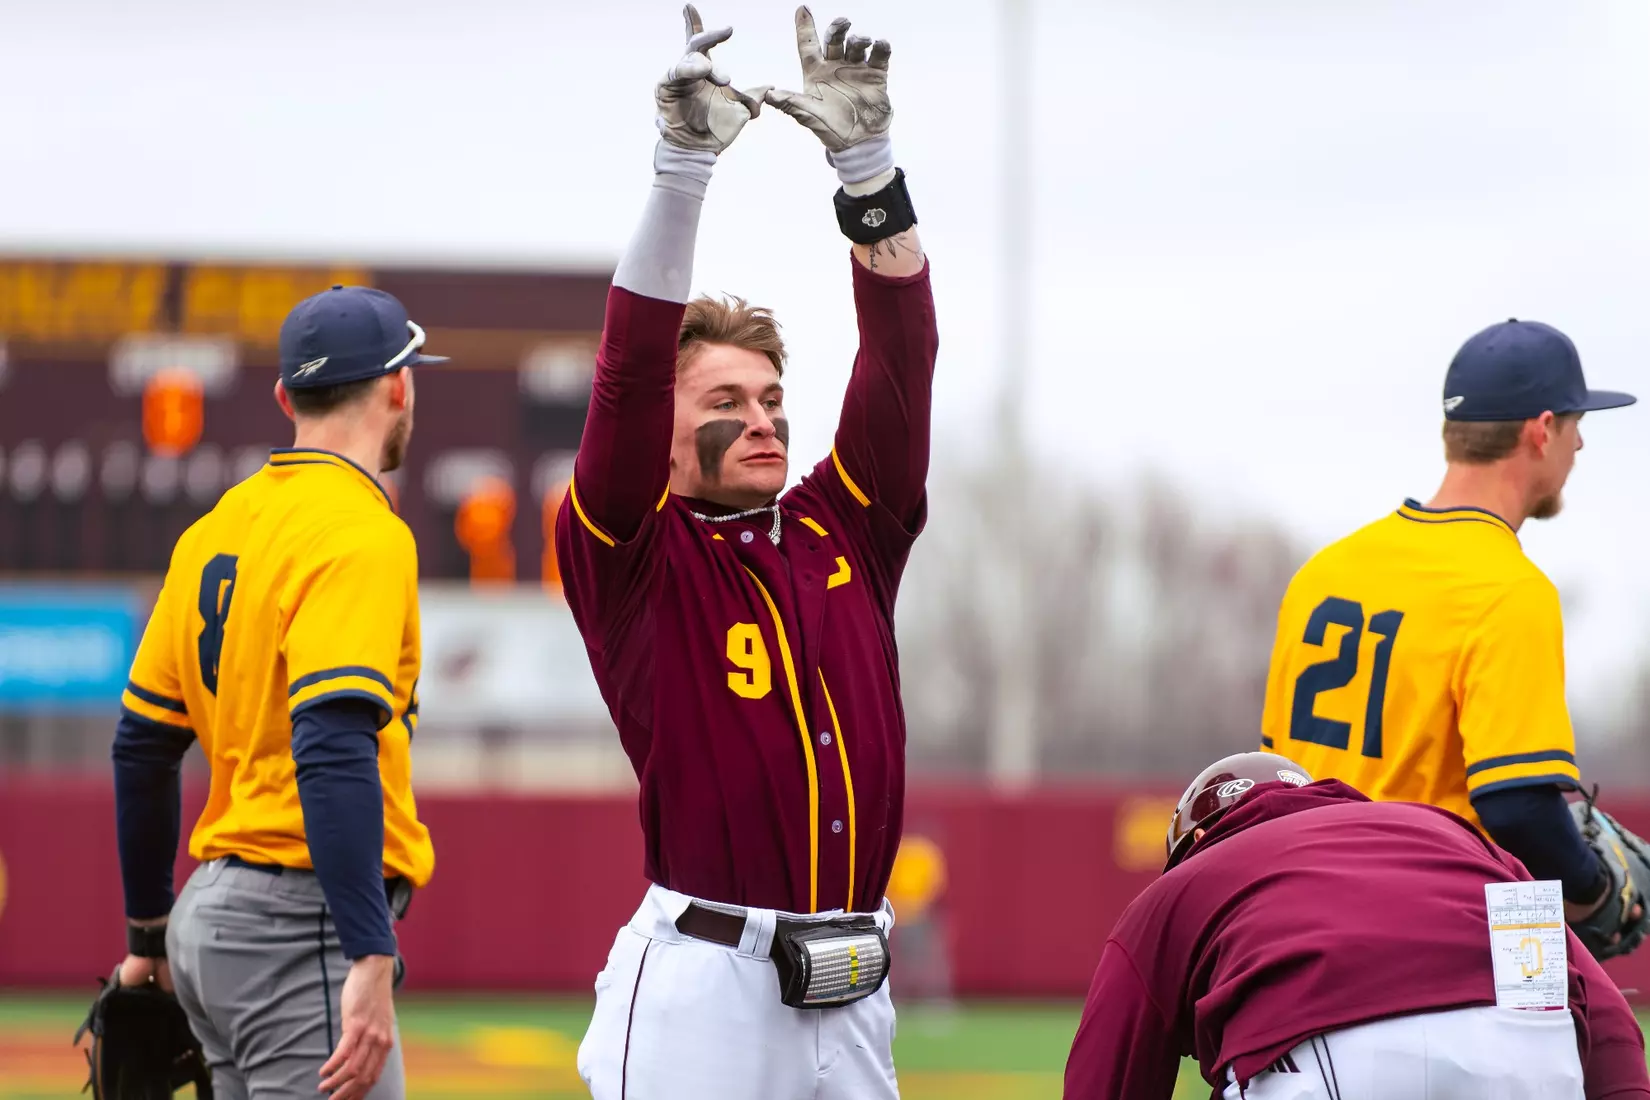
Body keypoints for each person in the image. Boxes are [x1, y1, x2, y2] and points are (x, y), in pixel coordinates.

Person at [554, 5, 937, 1098]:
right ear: (665, 434)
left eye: (774, 396)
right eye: (726, 399)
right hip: (705, 986)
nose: (765, 418)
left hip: (854, 979)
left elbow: (903, 359)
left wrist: (870, 167)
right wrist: (681, 174)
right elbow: (627, 377)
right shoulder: (633, 552)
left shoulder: (844, 528)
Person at [109, 285, 441, 1100]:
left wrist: (147, 935)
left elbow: (143, 744)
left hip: (209, 921)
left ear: (285, 396)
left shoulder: (218, 526)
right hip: (301, 924)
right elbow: (331, 745)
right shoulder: (362, 531)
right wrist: (368, 950)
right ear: (399, 387)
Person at [1258, 319, 1640, 951]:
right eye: (1578, 426)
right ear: (1541, 431)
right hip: (1420, 944)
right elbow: (1517, 806)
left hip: (1295, 933)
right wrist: (1593, 887)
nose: (1579, 448)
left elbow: (1275, 775)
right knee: (1613, 1044)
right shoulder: (1507, 588)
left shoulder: (1324, 573)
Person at [1063, 751, 1650, 1099]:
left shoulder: (1177, 890)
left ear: (1193, 842)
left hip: (1335, 1058)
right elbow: (1606, 1018)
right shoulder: (1449, 833)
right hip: (1532, 1051)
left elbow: (1103, 1086)